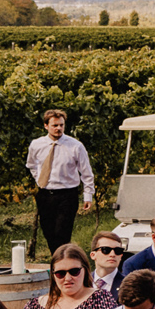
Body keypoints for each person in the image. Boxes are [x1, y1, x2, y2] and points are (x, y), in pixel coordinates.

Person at [25, 109, 96, 259]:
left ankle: (61, 262)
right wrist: (40, 179)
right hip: (45, 194)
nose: (58, 128)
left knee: (62, 232)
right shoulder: (36, 145)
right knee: (48, 232)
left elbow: (86, 172)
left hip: (67, 194)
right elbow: (31, 164)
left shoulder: (75, 146)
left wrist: (88, 195)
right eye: (55, 125)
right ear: (46, 126)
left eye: (61, 125)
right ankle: (57, 259)